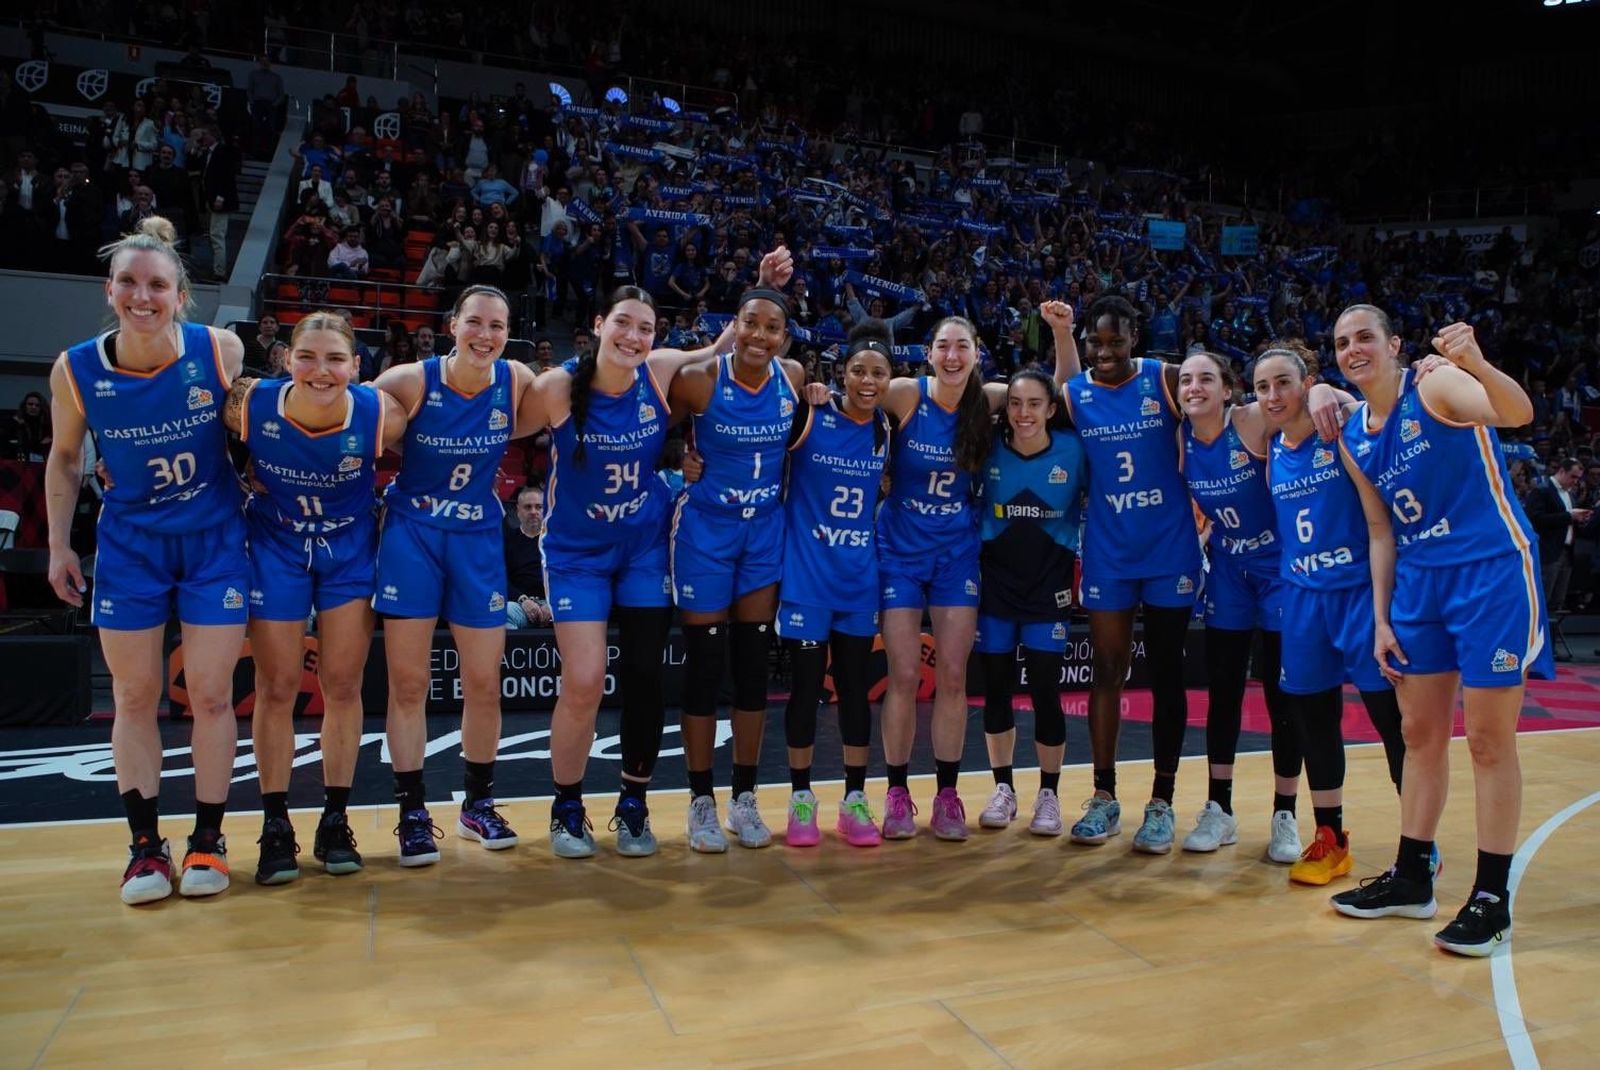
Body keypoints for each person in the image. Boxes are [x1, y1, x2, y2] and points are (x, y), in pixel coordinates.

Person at [1330, 310, 1554, 957]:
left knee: (1487, 740)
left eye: (1365, 337)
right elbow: (1379, 531)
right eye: (1342, 343)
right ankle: (1411, 877)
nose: (1354, 349)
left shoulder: (1434, 386)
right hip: (1419, 585)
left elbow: (1517, 414)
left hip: (1489, 573)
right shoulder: (1352, 432)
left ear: (1394, 345)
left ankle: (1491, 898)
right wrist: (1379, 619)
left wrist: (1476, 363)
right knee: (1419, 734)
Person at [45, 216, 248, 904]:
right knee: (135, 696)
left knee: (213, 695)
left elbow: (252, 427)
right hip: (131, 542)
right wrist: (57, 543)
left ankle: (209, 840)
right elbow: (66, 458)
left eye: (156, 284)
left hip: (215, 538)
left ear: (179, 295)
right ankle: (143, 849)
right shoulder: (75, 368)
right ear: (110, 289)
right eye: (129, 282)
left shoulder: (219, 350)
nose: (142, 295)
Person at [539, 283, 739, 858]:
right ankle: (567, 806)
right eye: (623, 323)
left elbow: (723, 347)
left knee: (646, 677)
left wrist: (762, 285)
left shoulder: (659, 371)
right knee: (582, 680)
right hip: (577, 554)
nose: (633, 336)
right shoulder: (557, 387)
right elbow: (495, 424)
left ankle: (633, 804)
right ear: (600, 324)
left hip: (645, 546)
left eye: (645, 328)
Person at [873, 303, 1077, 841]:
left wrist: (1061, 333)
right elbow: (857, 394)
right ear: (929, 353)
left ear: (976, 354)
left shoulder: (987, 399)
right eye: (943, 345)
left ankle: (946, 795)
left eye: (962, 346)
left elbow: (1052, 393)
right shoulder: (907, 393)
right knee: (904, 675)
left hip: (957, 555)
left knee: (956, 678)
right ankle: (896, 793)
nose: (952, 354)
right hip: (900, 550)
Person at [231, 310, 408, 884]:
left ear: (357, 367)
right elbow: (190, 432)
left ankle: (335, 817)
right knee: (277, 686)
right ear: (287, 359)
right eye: (307, 356)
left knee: (343, 684)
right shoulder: (249, 403)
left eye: (336, 359)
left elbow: (446, 454)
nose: (321, 370)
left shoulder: (382, 413)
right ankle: (276, 822)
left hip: (348, 551)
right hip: (276, 545)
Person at [372, 285, 538, 866]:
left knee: (484, 682)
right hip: (413, 537)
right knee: (410, 684)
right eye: (475, 322)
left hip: (476, 540)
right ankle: (412, 812)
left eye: (497, 324)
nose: (485, 334)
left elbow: (576, 403)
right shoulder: (408, 382)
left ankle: (477, 805)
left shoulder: (514, 381)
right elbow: (339, 421)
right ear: (452, 326)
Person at [1252, 342, 1410, 886]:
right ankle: (1331, 838)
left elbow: (1362, 403)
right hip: (1300, 602)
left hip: (1359, 598)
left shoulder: (1338, 427)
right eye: (1263, 386)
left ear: (1306, 384)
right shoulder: (1271, 446)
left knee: (1393, 723)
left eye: (1284, 383)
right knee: (1314, 722)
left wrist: (1326, 390)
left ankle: (1419, 844)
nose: (1273, 396)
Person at [1060, 294, 1205, 853]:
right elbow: (1023, 395)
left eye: (1115, 340)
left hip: (1169, 549)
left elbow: (1224, 394)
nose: (1105, 351)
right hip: (1109, 552)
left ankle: (1162, 803)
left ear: (1134, 340)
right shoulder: (1075, 395)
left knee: (1167, 673)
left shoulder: (1165, 380)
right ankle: (1103, 797)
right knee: (1108, 669)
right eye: (1096, 342)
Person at [667, 278, 804, 852]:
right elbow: (658, 436)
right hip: (706, 532)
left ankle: (744, 798)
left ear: (784, 337)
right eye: (751, 322)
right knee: (705, 666)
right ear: (735, 324)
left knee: (752, 666)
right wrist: (681, 461)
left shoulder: (793, 381)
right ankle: (701, 800)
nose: (759, 335)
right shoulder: (698, 381)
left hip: (764, 532)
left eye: (772, 327)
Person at [1175, 350, 1324, 861]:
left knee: (1284, 697)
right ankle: (1220, 809)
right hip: (1229, 572)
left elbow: (1312, 403)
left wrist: (1324, 390)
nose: (1194, 387)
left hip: (1279, 568)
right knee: (1224, 692)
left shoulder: (1252, 420)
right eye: (1187, 380)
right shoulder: (1180, 439)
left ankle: (1285, 813)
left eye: (1206, 379)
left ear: (1226, 389)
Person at [775, 319, 896, 848]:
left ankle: (853, 798)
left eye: (878, 372)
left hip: (857, 582)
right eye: (858, 371)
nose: (867, 381)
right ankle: (801, 798)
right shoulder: (811, 413)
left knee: (853, 691)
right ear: (841, 374)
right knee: (805, 691)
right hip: (806, 579)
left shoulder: (888, 428)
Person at [972, 367, 1087, 837]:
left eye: (1035, 403)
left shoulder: (1074, 452)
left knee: (1045, 691)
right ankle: (1003, 790)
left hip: (1048, 588)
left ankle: (1049, 795)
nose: (1023, 413)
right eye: (1015, 403)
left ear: (1052, 409)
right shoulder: (990, 448)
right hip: (996, 586)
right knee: (996, 691)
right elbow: (973, 397)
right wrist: (1007, 389)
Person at [1525, 458, 1591, 617]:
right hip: (1548, 552)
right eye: (1573, 477)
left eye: (1578, 478)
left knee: (1557, 601)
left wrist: (1580, 520)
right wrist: (1569, 516)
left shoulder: (1569, 494)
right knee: (1543, 599)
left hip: (1567, 552)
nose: (1575, 482)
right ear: (1561, 471)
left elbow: (1567, 520)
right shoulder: (1542, 490)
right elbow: (1535, 520)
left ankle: (1552, 640)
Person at [503, 482, 550, 628]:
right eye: (528, 507)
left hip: (555, 605)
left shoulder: (557, 541)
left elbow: (567, 577)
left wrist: (552, 603)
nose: (534, 511)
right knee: (500, 612)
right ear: (518, 510)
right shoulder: (507, 540)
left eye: (539, 507)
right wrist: (523, 600)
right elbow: (500, 578)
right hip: (520, 605)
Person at [11, 390, 51, 461]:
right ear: (25, 405)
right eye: (30, 404)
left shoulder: (47, 424)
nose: (33, 407)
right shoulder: (16, 423)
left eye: (37, 405)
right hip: (19, 463)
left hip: (42, 464)